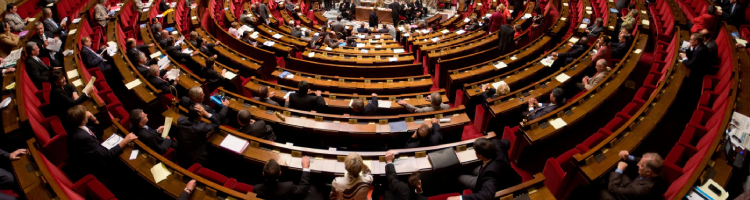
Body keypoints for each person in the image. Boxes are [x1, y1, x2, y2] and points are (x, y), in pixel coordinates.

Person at [66, 105, 138, 180]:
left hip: (92, 155)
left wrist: (94, 119)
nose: (87, 112)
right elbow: (106, 155)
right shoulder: (83, 137)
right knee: (125, 165)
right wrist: (125, 141)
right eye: (85, 113)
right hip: (94, 169)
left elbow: (99, 134)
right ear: (83, 119)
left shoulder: (76, 126)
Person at [451, 132, 522, 200]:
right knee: (470, 168)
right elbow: (507, 142)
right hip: (501, 171)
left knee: (459, 177)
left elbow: (486, 195)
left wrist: (461, 198)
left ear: (481, 155)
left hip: (492, 181)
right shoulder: (497, 143)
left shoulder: (491, 174)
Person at [599, 151, 667, 200]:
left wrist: (619, 170)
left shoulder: (639, 190)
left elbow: (613, 190)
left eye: (641, 165)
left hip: (632, 193)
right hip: (634, 186)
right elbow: (644, 162)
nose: (638, 164)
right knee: (617, 174)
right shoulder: (658, 169)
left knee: (601, 191)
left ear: (648, 172)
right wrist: (629, 157)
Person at [175, 103, 220, 168]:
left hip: (182, 154)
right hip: (195, 158)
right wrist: (205, 113)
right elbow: (216, 123)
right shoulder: (201, 127)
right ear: (199, 114)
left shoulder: (180, 120)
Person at [254, 158, 321, 200]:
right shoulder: (289, 187)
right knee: (312, 187)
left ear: (263, 174)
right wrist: (306, 167)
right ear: (280, 173)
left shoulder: (256, 189)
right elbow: (303, 189)